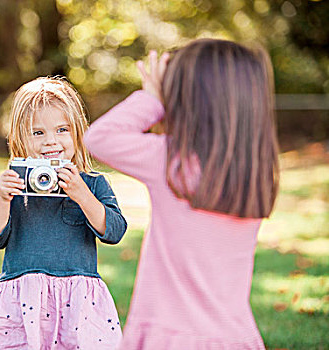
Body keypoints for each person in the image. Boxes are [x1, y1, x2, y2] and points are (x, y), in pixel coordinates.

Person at [84, 39, 279, 349]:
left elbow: (99, 138)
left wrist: (151, 99)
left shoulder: (170, 163)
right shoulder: (254, 172)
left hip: (169, 337)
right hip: (236, 337)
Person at [0, 76, 128, 349]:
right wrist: (3, 199)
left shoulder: (92, 183)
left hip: (77, 304)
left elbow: (114, 231)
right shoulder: (17, 183)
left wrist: (82, 195)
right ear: (21, 138)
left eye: (61, 130)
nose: (50, 142)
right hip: (23, 300)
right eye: (38, 133)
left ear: (77, 132)